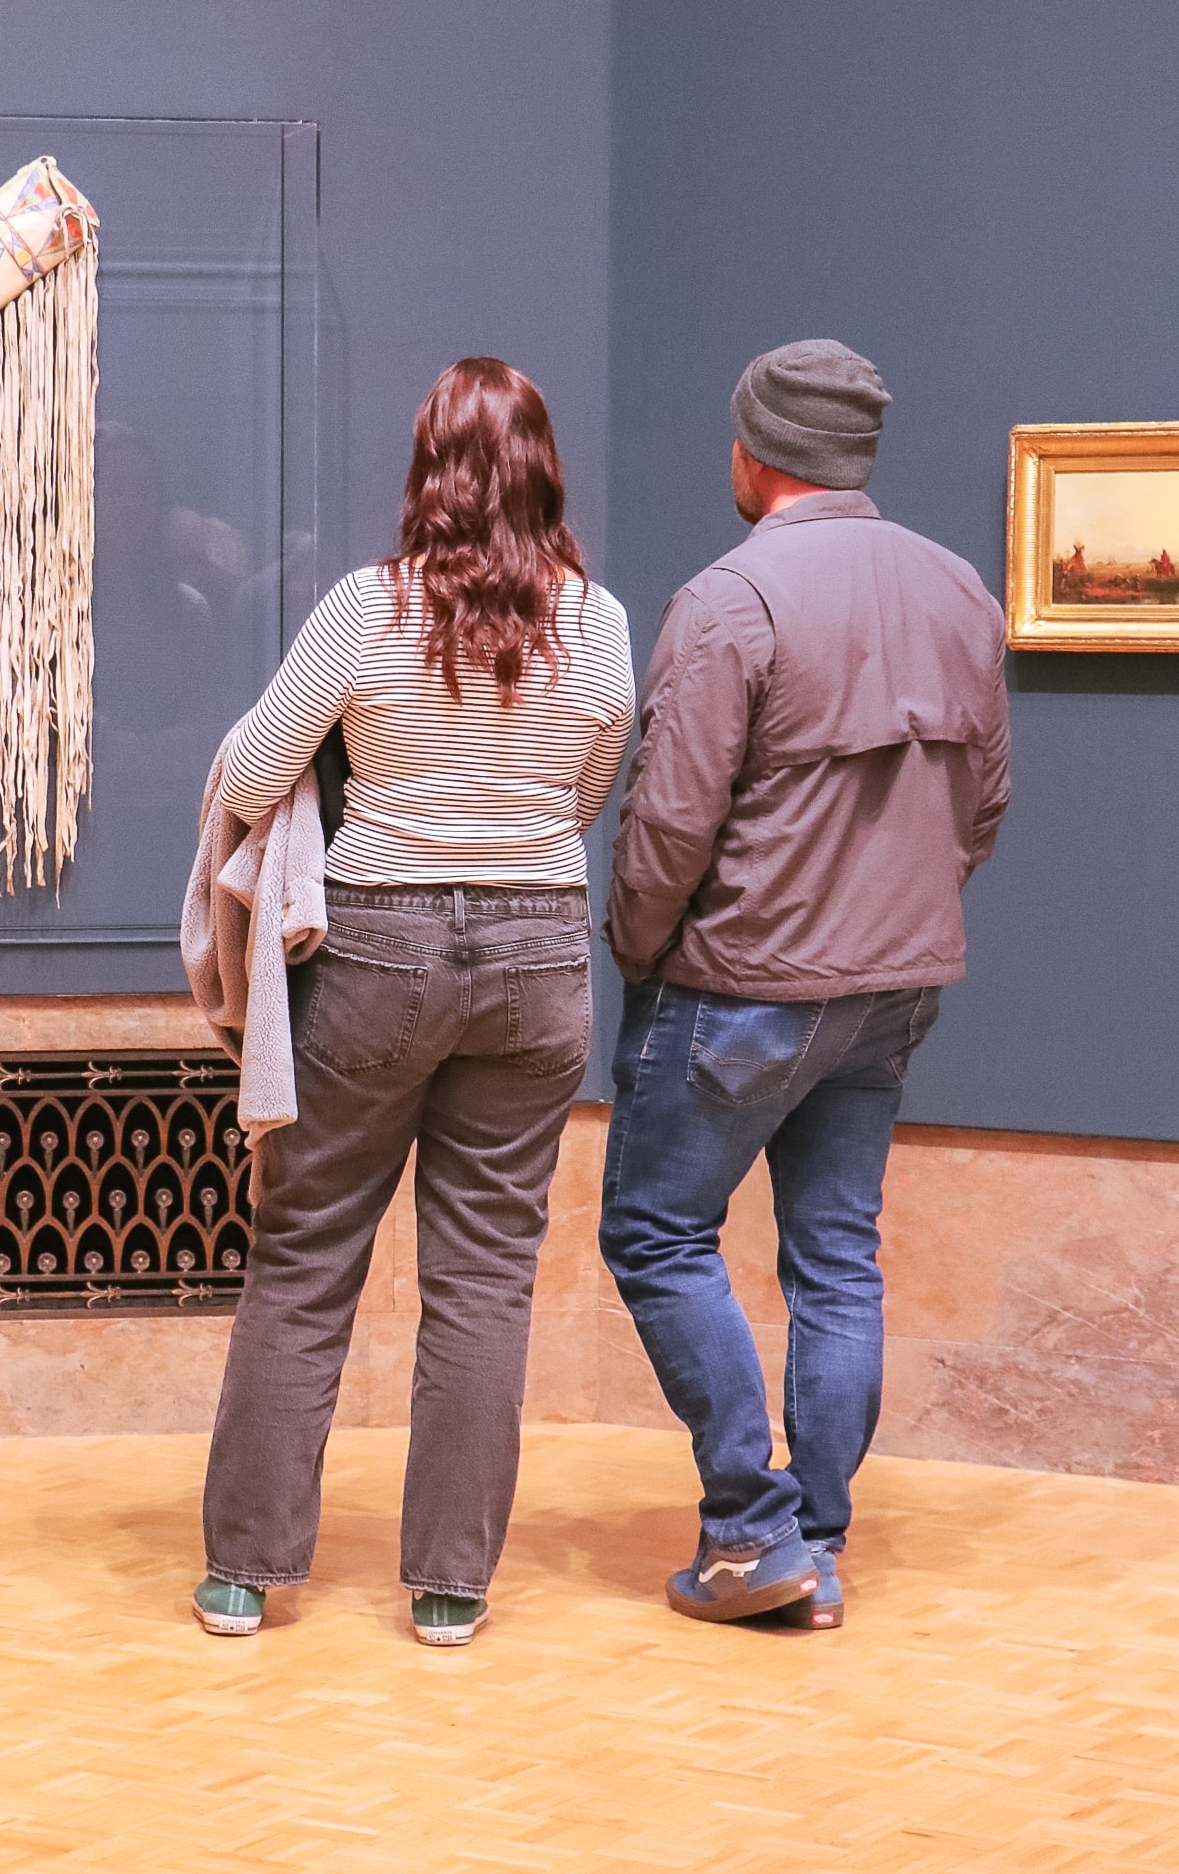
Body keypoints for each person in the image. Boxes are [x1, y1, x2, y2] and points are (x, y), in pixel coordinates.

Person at [191, 358, 634, 1646]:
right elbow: (592, 783)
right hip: (541, 953)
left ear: (428, 472)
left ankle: (244, 1575)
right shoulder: (596, 621)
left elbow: (254, 760)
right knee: (488, 1277)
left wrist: (348, 787)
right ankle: (449, 1587)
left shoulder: (364, 611)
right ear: (544, 467)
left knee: (307, 1257)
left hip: (377, 953)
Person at [598, 339, 1009, 1630]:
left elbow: (668, 826)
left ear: (754, 449)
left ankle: (751, 1527)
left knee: (656, 1230)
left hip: (740, 985)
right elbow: (981, 806)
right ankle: (816, 1539)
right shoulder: (959, 590)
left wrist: (636, 944)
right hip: (893, 989)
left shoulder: (730, 599)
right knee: (837, 1259)